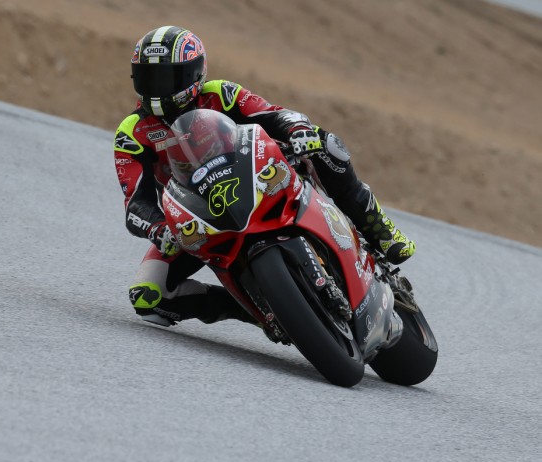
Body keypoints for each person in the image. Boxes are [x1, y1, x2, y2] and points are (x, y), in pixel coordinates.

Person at [114, 25, 415, 329]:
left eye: (166, 78)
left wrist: (297, 129)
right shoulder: (131, 133)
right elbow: (136, 205)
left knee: (326, 146)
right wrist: (158, 229)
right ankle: (265, 311)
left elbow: (274, 114)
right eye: (148, 78)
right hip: (200, 217)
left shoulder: (221, 94)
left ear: (194, 74)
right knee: (147, 295)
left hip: (260, 176)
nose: (157, 88)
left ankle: (378, 227)